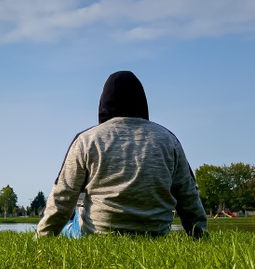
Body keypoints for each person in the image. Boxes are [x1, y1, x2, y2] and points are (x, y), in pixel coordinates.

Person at [36, 71, 207, 238]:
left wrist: (41, 238)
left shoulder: (87, 140)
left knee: (69, 225)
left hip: (99, 233)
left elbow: (63, 196)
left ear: (103, 103)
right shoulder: (168, 140)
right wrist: (200, 235)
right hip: (155, 233)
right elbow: (188, 195)